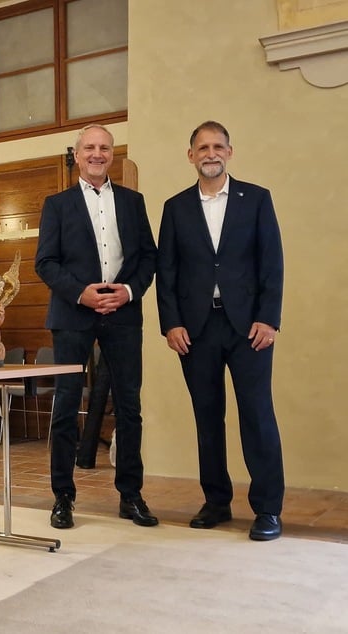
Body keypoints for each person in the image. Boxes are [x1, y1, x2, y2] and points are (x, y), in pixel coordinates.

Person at [156, 121, 284, 541]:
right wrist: (171, 323)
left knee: (257, 415)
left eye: (218, 146)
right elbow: (167, 271)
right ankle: (216, 501)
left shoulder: (257, 200)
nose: (210, 153)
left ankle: (267, 509)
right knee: (207, 417)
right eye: (202, 147)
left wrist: (269, 318)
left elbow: (272, 263)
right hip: (196, 328)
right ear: (190, 155)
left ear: (229, 152)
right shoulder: (175, 208)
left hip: (249, 327)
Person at [34, 124, 158, 529]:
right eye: (90, 147)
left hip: (122, 312)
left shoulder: (133, 201)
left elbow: (147, 258)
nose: (97, 154)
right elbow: (45, 263)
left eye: (104, 148)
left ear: (112, 154)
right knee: (66, 405)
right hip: (73, 312)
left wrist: (128, 291)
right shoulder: (57, 204)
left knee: (129, 406)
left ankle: (131, 495)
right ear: (77, 155)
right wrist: (81, 294)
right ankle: (63, 497)